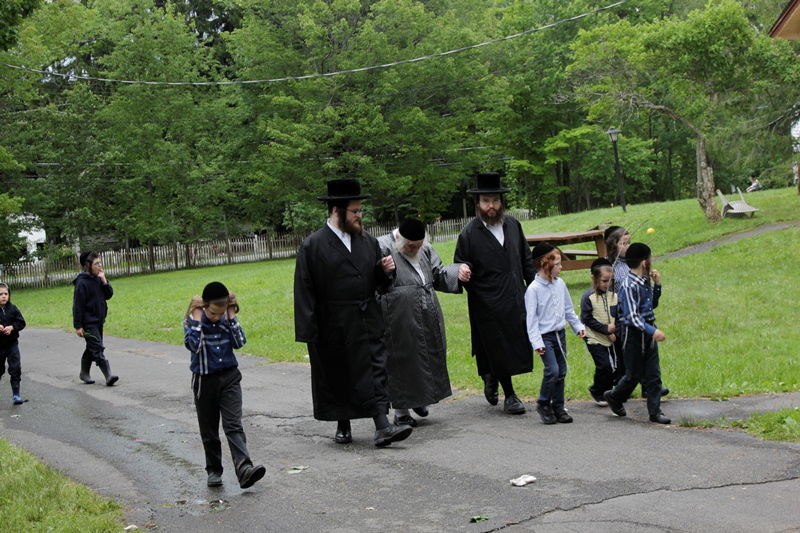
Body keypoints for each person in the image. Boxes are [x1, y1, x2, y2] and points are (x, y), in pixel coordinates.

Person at [294, 178, 413, 447]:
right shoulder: (313, 246)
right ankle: (342, 423)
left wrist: (385, 272)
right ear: (337, 211)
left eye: (360, 211)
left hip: (367, 318)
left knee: (375, 370)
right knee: (339, 373)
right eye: (355, 211)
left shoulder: (367, 242)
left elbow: (379, 284)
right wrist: (309, 331)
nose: (360, 216)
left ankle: (382, 426)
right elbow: (304, 289)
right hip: (333, 323)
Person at [454, 172, 535, 415]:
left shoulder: (513, 225)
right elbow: (460, 265)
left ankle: (490, 375)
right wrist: (463, 272)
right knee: (498, 345)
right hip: (487, 303)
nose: (492, 206)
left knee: (515, 344)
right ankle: (510, 394)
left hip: (515, 298)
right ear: (477, 203)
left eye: (496, 200)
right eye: (486, 201)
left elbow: (526, 260)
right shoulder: (469, 234)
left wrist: (535, 288)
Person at [377, 218, 470, 427]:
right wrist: (383, 270)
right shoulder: (382, 247)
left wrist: (459, 271)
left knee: (426, 355)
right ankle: (402, 412)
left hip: (427, 311)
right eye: (411, 246)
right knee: (402, 359)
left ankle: (420, 397)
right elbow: (373, 280)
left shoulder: (424, 249)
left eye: (418, 245)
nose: (415, 249)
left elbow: (438, 274)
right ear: (399, 238)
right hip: (398, 314)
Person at [184, 282, 266, 489]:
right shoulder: (194, 321)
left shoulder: (225, 319)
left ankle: (245, 469)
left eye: (220, 313)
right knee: (209, 429)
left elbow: (239, 342)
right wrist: (196, 318)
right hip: (204, 381)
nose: (216, 317)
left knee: (233, 425)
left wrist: (231, 315)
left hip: (229, 378)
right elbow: (193, 346)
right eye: (212, 313)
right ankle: (213, 470)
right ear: (204, 306)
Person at [603, 243, 671, 424]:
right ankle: (615, 396)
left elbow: (651, 306)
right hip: (633, 335)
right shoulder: (628, 285)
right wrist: (653, 331)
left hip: (647, 332)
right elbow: (632, 317)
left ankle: (655, 412)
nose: (651, 261)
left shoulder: (644, 280)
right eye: (650, 258)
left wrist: (657, 286)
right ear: (643, 263)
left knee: (654, 375)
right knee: (633, 375)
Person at [524, 244, 585, 424]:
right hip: (545, 337)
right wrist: (537, 343)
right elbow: (531, 320)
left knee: (562, 371)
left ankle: (558, 407)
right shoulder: (533, 290)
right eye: (557, 263)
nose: (561, 267)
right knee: (553, 370)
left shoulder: (560, 284)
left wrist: (578, 326)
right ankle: (543, 403)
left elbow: (568, 309)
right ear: (545, 264)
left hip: (560, 335)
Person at [72, 251, 118, 386]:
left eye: (100, 262)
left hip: (99, 320)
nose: (100, 266)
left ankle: (84, 372)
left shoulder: (99, 278)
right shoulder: (82, 283)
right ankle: (108, 375)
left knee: (92, 347)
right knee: (97, 347)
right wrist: (78, 326)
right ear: (88, 265)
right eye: (96, 263)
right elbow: (77, 306)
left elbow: (109, 295)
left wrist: (104, 281)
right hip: (87, 322)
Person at [580, 258, 619, 406]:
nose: (607, 284)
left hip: (611, 337)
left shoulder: (614, 296)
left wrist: (616, 331)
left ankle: (608, 392)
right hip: (594, 337)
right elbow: (587, 319)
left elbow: (618, 316)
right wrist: (605, 330)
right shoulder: (588, 297)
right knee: (604, 366)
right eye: (604, 281)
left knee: (615, 366)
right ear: (594, 278)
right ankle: (597, 390)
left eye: (610, 280)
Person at [0, 283, 27, 405]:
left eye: (6, 294)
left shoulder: (13, 309)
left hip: (12, 344)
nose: (3, 296)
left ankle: (16, 394)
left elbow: (21, 323)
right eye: (0, 294)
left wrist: (12, 327)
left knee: (15, 368)